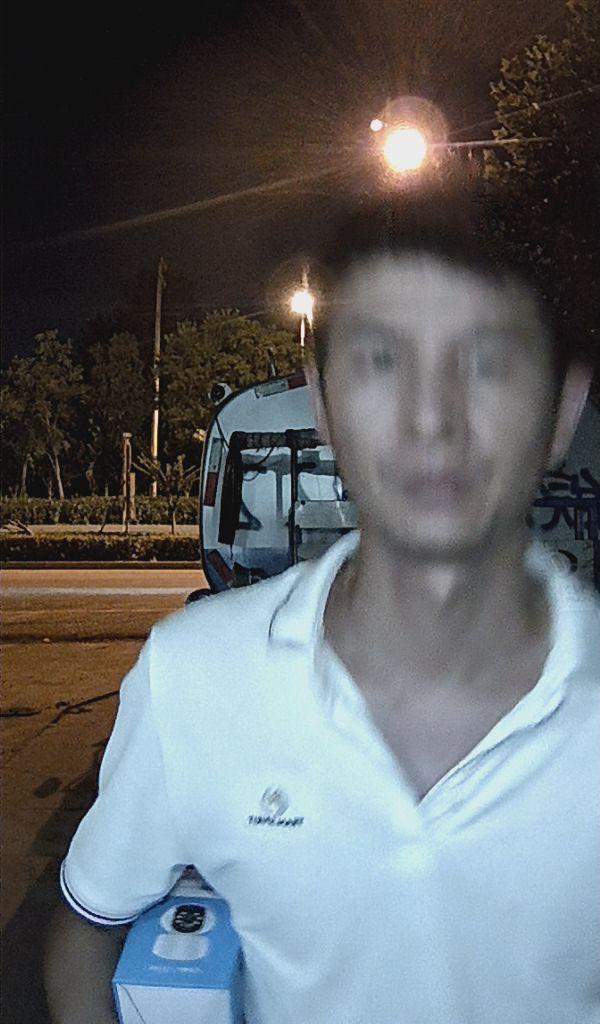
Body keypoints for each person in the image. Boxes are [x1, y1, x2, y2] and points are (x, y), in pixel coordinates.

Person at [44, 186, 599, 1024]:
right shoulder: (195, 678)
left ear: (563, 409)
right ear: (323, 406)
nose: (430, 420)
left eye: (488, 361)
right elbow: (87, 929)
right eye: (380, 361)